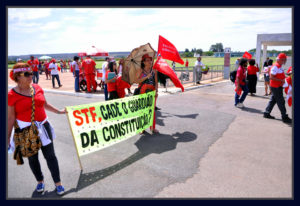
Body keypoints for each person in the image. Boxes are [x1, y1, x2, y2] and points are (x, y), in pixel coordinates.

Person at [8, 62, 66, 195]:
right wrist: (7, 139)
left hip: (43, 127)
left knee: (51, 156)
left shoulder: (37, 87)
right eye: (27, 74)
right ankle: (40, 181)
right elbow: (10, 118)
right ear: (17, 77)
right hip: (26, 130)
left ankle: (58, 183)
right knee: (33, 158)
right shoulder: (11, 95)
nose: (31, 76)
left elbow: (44, 104)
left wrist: (59, 112)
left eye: (31, 73)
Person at [263, 53, 292, 124]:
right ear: (281, 60)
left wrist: (286, 77)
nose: (285, 61)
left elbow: (279, 75)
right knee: (281, 101)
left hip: (277, 86)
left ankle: (266, 113)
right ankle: (284, 116)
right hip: (276, 87)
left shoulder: (279, 66)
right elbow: (271, 77)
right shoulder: (276, 67)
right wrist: (281, 80)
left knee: (273, 100)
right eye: (285, 60)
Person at [135, 54, 159, 134]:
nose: (150, 62)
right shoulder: (140, 70)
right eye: (147, 60)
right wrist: (146, 77)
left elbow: (156, 82)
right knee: (142, 110)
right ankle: (142, 128)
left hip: (152, 92)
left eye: (150, 60)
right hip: (142, 92)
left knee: (152, 110)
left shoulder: (154, 71)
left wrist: (156, 91)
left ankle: (152, 128)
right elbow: (137, 81)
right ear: (144, 62)